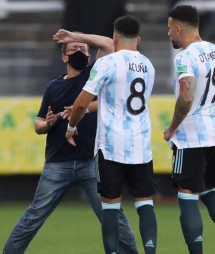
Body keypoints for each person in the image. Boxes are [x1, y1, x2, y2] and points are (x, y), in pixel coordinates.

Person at [3, 29, 139, 254]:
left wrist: (77, 37)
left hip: (90, 161)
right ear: (63, 57)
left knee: (112, 213)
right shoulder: (53, 87)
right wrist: (47, 123)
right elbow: (37, 124)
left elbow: (107, 44)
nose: (80, 52)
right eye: (73, 49)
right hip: (58, 162)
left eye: (83, 49)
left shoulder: (94, 75)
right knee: (33, 216)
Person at [65, 15, 158, 254]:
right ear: (138, 39)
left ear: (114, 38)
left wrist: (71, 127)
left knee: (110, 207)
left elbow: (81, 104)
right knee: (145, 204)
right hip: (141, 144)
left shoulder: (107, 63)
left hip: (111, 146)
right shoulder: (149, 65)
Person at [163, 5, 215, 254]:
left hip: (190, 137)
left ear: (178, 28)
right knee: (209, 191)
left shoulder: (185, 57)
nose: (169, 35)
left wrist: (171, 129)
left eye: (169, 29)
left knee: (187, 196)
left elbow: (186, 98)